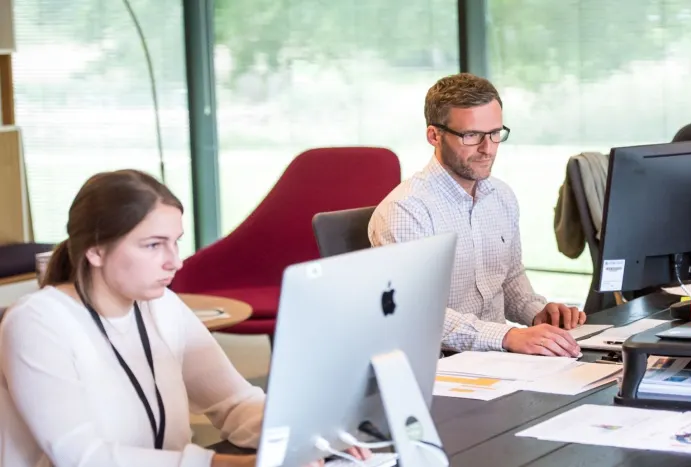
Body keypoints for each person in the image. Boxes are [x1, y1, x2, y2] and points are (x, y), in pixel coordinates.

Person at [0, 170, 370, 467]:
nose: (174, 262)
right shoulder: (36, 323)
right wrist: (225, 464)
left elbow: (235, 403)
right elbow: (82, 457)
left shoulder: (163, 306)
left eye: (175, 242)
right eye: (153, 245)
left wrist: (311, 436)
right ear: (95, 251)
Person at [368, 73, 586, 357]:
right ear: (434, 136)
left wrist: (538, 314)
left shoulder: (501, 196)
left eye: (495, 133)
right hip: (443, 364)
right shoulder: (406, 210)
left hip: (498, 358)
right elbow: (417, 312)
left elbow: (509, 278)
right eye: (471, 136)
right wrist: (507, 336)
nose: (488, 149)